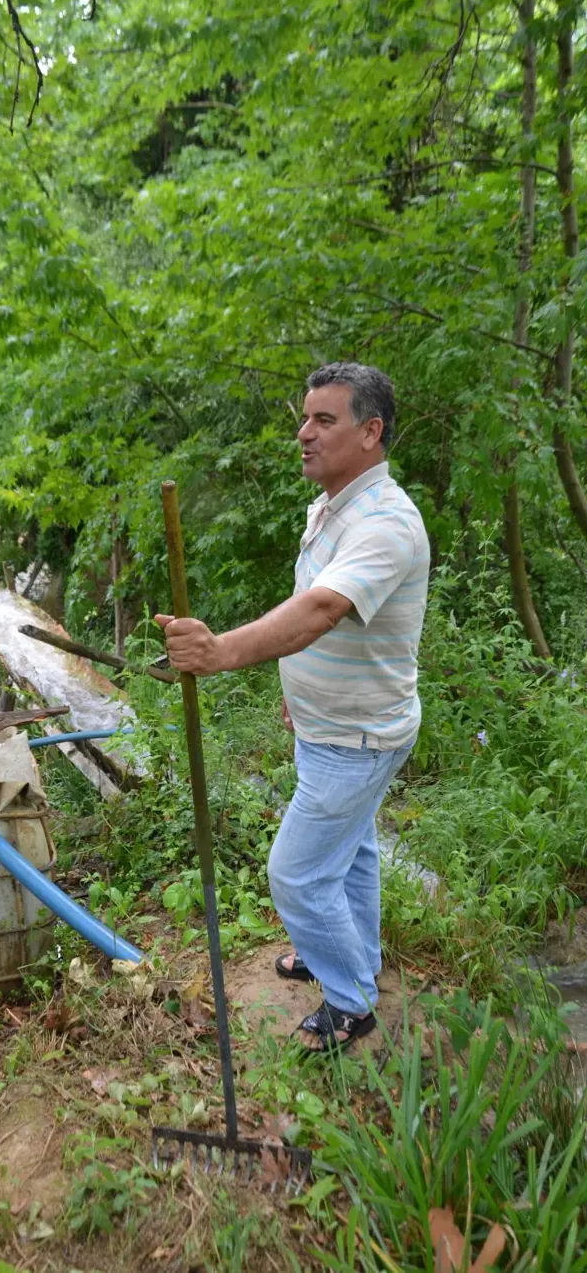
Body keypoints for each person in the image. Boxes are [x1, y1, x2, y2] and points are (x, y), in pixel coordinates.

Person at [155, 362, 430, 1053]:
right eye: (304, 418)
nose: (304, 433)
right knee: (351, 853)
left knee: (298, 873)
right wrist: (295, 690)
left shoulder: (387, 522)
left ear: (370, 432)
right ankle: (345, 952)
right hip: (328, 724)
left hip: (360, 737)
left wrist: (219, 651)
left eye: (323, 420)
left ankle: (352, 1000)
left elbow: (322, 609)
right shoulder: (332, 507)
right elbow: (316, 610)